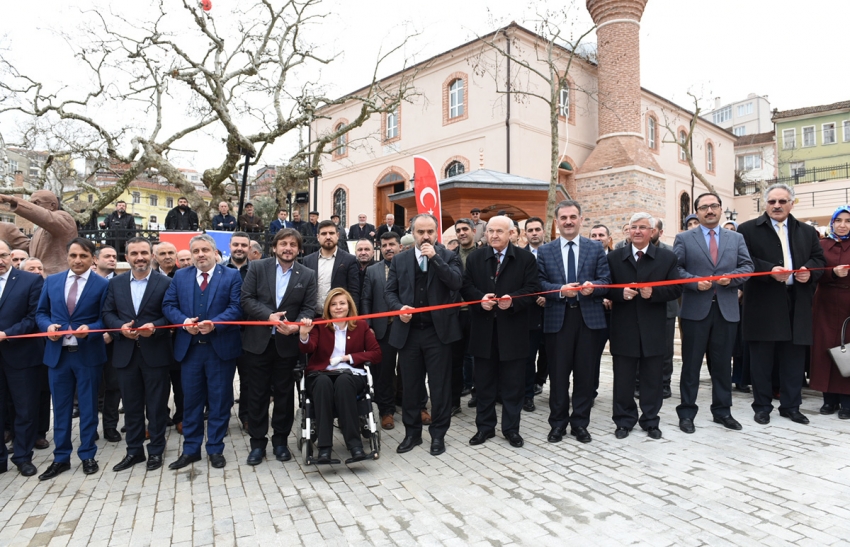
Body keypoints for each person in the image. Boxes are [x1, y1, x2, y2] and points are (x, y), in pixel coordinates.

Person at [738, 183, 825, 425]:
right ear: (765, 204)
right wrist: (768, 270)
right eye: (772, 201)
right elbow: (743, 260)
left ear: (792, 204)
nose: (777, 205)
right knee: (762, 360)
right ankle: (762, 406)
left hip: (796, 302)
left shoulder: (807, 232)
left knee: (794, 358)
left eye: (782, 201)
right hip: (762, 302)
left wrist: (809, 271)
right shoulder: (747, 230)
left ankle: (791, 406)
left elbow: (818, 259)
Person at [673, 193, 754, 434]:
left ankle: (722, 412)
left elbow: (747, 266)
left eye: (714, 206)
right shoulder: (684, 238)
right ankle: (687, 413)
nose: (710, 210)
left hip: (726, 310)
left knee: (722, 366)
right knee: (691, 366)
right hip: (695, 310)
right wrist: (695, 282)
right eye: (704, 207)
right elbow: (675, 269)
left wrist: (732, 280)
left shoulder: (736, 238)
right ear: (696, 212)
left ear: (721, 210)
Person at [162, 234, 243, 469]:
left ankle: (215, 449)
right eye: (195, 251)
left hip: (220, 349)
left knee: (219, 402)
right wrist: (183, 321)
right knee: (191, 402)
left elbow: (236, 307)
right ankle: (191, 450)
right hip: (190, 351)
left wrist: (215, 323)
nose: (200, 255)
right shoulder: (180, 276)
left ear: (214, 252)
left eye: (205, 250)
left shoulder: (231, 275)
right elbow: (168, 305)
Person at [385, 213, 463, 456]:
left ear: (436, 232)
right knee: (411, 386)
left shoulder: (450, 256)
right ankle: (412, 434)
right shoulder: (400, 260)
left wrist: (436, 259)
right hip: (408, 333)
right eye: (421, 232)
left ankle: (438, 435)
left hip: (437, 334)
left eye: (430, 232)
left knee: (439, 387)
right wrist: (399, 309)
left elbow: (456, 283)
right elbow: (390, 292)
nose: (426, 236)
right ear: (412, 233)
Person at [241, 228, 317, 465]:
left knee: (284, 396)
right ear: (274, 247)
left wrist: (296, 328)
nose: (288, 248)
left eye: (293, 245)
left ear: (299, 249)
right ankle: (257, 443)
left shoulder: (307, 274)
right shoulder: (257, 267)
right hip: (258, 343)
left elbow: (308, 307)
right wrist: (269, 316)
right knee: (257, 394)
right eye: (283, 244)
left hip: (287, 344)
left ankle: (280, 441)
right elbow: (246, 299)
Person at [462, 216, 539, 448]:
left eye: (499, 231)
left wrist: (513, 300)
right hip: (484, 331)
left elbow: (533, 288)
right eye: (490, 231)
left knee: (513, 385)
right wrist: (479, 300)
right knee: (484, 384)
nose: (494, 235)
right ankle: (485, 428)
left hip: (513, 331)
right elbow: (465, 286)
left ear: (511, 234)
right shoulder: (476, 257)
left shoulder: (525, 258)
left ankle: (511, 429)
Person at [537, 201, 611, 444]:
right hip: (558, 319)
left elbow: (606, 280)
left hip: (588, 319)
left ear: (581, 219)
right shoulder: (546, 251)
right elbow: (539, 283)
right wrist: (560, 290)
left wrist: (594, 288)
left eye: (573, 217)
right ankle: (557, 424)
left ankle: (580, 423)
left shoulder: (595, 248)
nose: (568, 221)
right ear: (557, 221)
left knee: (585, 375)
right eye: (563, 217)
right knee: (558, 376)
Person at [36, 237, 109, 479]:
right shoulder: (53, 281)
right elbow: (41, 313)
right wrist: (47, 327)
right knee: (61, 408)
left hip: (87, 355)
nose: (78, 260)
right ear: (67, 257)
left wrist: (91, 328)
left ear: (92, 259)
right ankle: (61, 457)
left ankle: (87, 454)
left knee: (88, 408)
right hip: (58, 357)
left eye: (83, 256)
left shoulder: (102, 285)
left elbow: (105, 318)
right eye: (73, 255)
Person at [607, 213, 682, 440]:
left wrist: (655, 293)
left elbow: (677, 288)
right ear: (628, 231)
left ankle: (650, 420)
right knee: (623, 379)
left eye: (643, 227)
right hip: (624, 327)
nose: (637, 231)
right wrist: (619, 293)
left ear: (653, 231)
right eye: (633, 227)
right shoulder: (614, 258)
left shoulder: (666, 258)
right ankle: (623, 420)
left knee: (652, 379)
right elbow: (605, 287)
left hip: (654, 328)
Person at [101, 237, 173, 472]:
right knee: (131, 407)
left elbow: (171, 314)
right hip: (126, 354)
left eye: (144, 253)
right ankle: (134, 452)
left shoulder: (165, 283)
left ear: (152, 255)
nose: (140, 257)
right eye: (134, 253)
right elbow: (107, 313)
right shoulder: (116, 284)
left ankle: (156, 450)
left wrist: (155, 326)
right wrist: (120, 328)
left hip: (156, 353)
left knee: (156, 406)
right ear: (127, 257)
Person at [298, 288, 382, 463]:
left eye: (342, 303)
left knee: (344, 382)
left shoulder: (361, 325)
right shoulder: (320, 325)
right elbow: (309, 348)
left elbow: (376, 354)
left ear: (349, 305)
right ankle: (324, 449)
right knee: (322, 383)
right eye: (334, 304)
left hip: (350, 374)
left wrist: (349, 358)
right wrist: (304, 334)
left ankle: (355, 446)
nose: (338, 307)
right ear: (328, 308)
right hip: (322, 373)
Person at [0, 240, 45, 477]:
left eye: (3, 255)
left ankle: (22, 457)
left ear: (11, 256)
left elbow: (34, 316)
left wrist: (7, 334)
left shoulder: (30, 280)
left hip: (22, 355)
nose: (0, 260)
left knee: (25, 410)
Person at [810, 206, 850, 418]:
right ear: (832, 222)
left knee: (847, 351)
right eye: (839, 220)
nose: (843, 225)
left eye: (848, 221)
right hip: (824, 303)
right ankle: (829, 400)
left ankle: (847, 401)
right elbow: (814, 271)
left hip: (848, 304)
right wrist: (831, 273)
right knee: (825, 350)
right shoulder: (821, 245)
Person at [362, 232, 402, 429]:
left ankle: (417, 406)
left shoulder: (408, 266)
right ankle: (387, 410)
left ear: (400, 246)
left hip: (405, 326)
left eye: (392, 244)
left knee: (409, 369)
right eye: (384, 245)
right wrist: (368, 325)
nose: (388, 248)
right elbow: (366, 299)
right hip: (381, 328)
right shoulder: (372, 270)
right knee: (384, 371)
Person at [0, 190, 78, 275]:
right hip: (40, 280)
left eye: (36, 203)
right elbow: (29, 249)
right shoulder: (40, 229)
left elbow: (45, 216)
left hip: (58, 279)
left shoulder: (65, 219)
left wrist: (12, 200)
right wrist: (7, 231)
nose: (32, 206)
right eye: (30, 203)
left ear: (52, 205)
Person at [19, 257, 51, 451]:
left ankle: (40, 433)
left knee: (41, 392)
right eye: (32, 268)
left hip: (42, 349)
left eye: (40, 268)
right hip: (17, 348)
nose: (38, 271)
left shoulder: (48, 288)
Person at [93, 247, 122, 443]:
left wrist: (111, 332)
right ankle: (90, 427)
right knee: (92, 387)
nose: (112, 259)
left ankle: (110, 426)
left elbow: (123, 312)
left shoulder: (119, 282)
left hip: (113, 343)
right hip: (89, 343)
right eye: (107, 256)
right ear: (95, 260)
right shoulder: (88, 282)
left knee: (113, 386)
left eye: (114, 257)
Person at [302, 220, 360, 314]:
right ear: (318, 237)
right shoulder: (308, 260)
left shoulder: (349, 260)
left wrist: (352, 316)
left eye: (331, 233)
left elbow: (354, 292)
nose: (328, 237)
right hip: (313, 317)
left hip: (339, 316)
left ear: (337, 235)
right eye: (324, 234)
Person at [523, 217, 547, 410]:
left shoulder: (553, 252)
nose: (534, 233)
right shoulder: (520, 256)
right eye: (530, 230)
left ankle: (543, 382)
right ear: (525, 234)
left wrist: (548, 297)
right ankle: (528, 394)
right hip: (530, 314)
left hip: (553, 312)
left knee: (550, 355)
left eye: (537, 229)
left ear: (543, 232)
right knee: (529, 357)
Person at [454, 219, 478, 405]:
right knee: (456, 355)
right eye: (458, 230)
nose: (462, 233)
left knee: (477, 355)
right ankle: (455, 397)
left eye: (465, 229)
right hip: (455, 313)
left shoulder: (483, 254)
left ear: (474, 231)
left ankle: (477, 393)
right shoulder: (450, 255)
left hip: (477, 312)